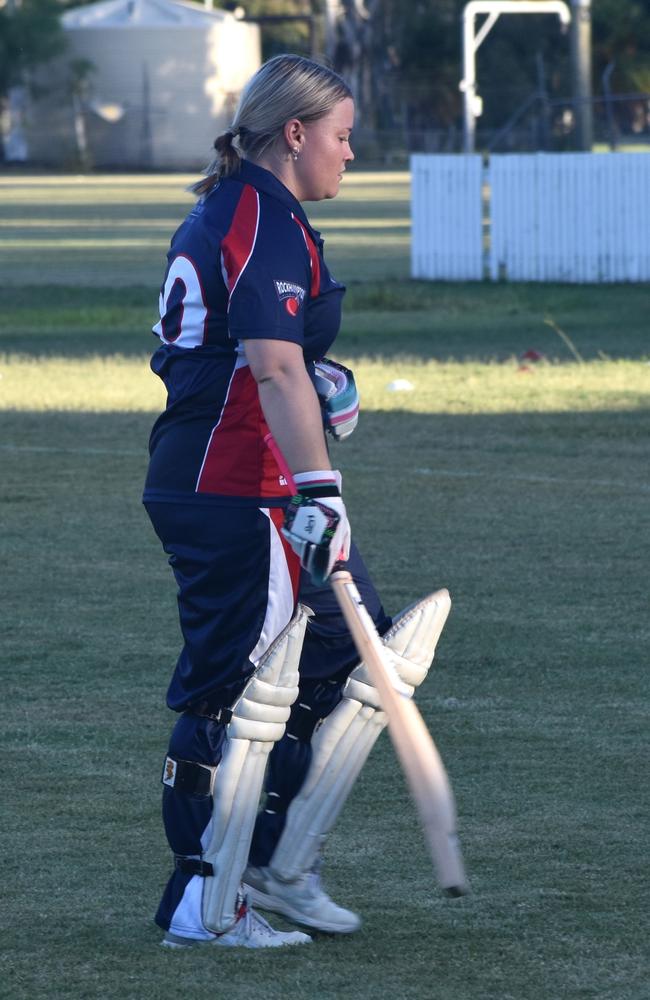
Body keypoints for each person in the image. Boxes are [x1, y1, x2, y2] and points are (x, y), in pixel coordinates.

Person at [143, 53, 450, 950]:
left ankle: (274, 862)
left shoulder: (258, 212)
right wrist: (322, 486)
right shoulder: (258, 214)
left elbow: (277, 360)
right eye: (344, 136)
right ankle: (206, 895)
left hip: (249, 474)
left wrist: (325, 385)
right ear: (295, 132)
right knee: (239, 689)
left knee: (349, 658)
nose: (351, 155)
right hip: (233, 482)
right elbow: (269, 368)